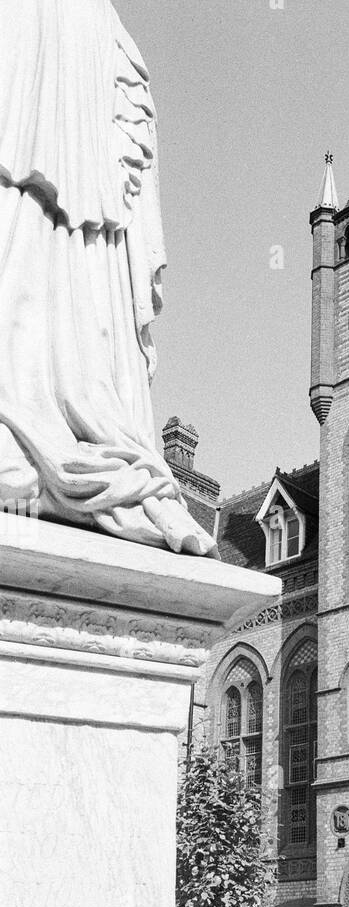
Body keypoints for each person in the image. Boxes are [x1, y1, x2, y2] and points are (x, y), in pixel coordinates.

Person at [0, 0, 217, 555]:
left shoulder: (99, 30)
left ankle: (62, 430)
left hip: (81, 59)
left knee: (78, 257)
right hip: (39, 46)